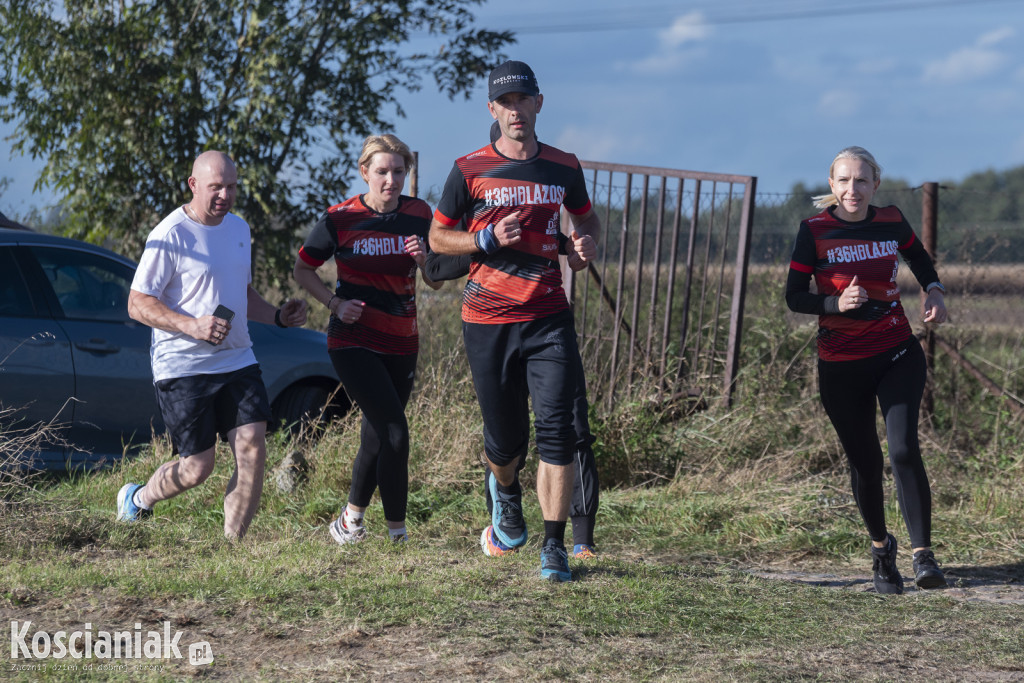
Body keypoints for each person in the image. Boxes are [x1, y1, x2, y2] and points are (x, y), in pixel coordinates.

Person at [429, 60, 600, 582]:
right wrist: (482, 240)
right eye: (505, 102)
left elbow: (587, 217)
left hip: (549, 317)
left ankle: (555, 547)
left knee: (558, 432)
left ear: (538, 103)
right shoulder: (468, 169)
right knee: (506, 443)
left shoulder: (563, 166)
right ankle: (504, 490)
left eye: (523, 99)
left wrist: (585, 244)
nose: (515, 110)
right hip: (487, 320)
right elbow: (438, 240)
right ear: (492, 110)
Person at [117, 150, 308, 541]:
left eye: (232, 186)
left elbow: (241, 292)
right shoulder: (170, 234)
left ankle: (233, 544)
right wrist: (193, 326)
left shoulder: (239, 229)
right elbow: (137, 303)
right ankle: (137, 500)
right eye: (215, 186)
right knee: (197, 467)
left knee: (253, 444)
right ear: (193, 185)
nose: (225, 194)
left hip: (237, 357)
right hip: (183, 365)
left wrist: (277, 316)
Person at [785, 146, 949, 594]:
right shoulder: (813, 230)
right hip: (841, 366)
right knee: (866, 463)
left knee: (901, 450)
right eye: (843, 181)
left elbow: (917, 257)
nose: (852, 189)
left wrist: (932, 288)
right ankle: (881, 551)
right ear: (832, 186)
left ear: (875, 184)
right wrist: (834, 304)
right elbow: (794, 296)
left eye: (861, 181)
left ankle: (923, 556)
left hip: (896, 352)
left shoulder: (892, 219)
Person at [293, 134, 440, 546]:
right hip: (352, 340)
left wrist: (425, 262)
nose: (390, 180)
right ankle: (398, 535)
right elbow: (302, 270)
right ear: (364, 173)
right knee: (396, 431)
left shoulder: (419, 215)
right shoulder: (340, 219)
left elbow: (437, 281)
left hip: (402, 341)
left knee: (377, 434)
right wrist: (334, 304)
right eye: (382, 172)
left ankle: (350, 522)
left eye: (398, 172)